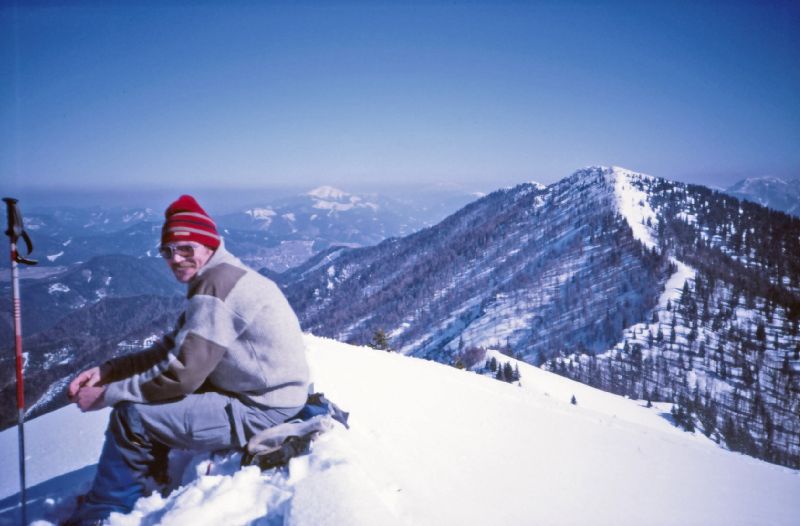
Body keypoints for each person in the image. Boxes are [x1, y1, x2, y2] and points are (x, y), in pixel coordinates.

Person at [65, 195, 310, 525]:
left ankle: (107, 513)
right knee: (148, 403)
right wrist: (108, 371)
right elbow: (170, 350)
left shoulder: (217, 286)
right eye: (167, 251)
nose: (175, 259)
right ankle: (141, 485)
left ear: (208, 245)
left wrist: (107, 395)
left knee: (131, 416)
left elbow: (182, 376)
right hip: (266, 391)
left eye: (185, 249)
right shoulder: (222, 275)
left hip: (261, 407)